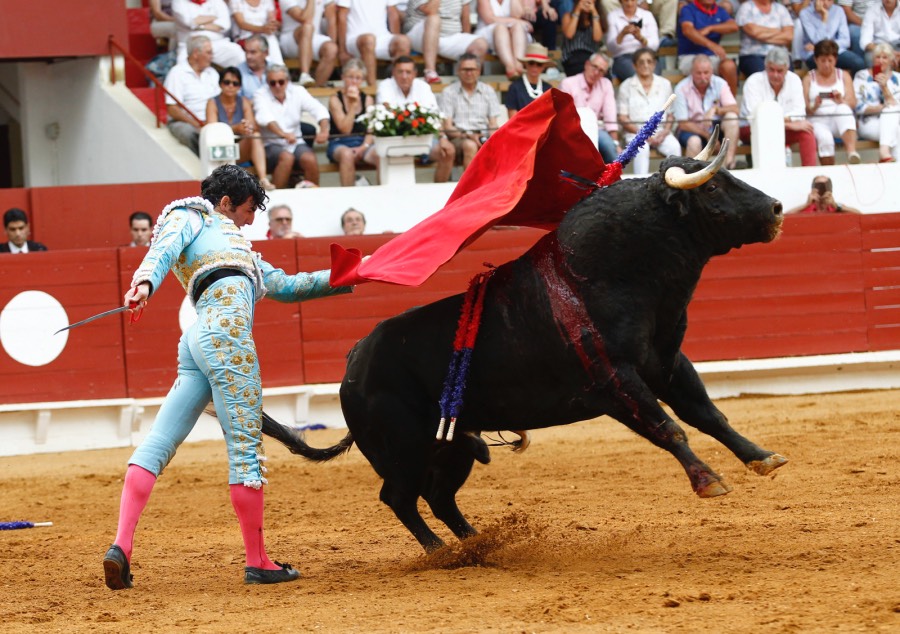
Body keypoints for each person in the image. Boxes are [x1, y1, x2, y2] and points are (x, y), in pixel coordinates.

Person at [101, 165, 352, 591]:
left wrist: (350, 276)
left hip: (199, 340)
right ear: (224, 202)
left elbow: (290, 285)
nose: (252, 219)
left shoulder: (244, 253)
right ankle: (258, 562)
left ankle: (121, 546)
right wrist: (143, 283)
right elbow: (162, 249)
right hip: (228, 337)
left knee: (158, 443)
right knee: (245, 453)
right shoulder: (192, 215)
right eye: (250, 209)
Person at [376, 56, 456, 182]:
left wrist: (443, 138)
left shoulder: (423, 86)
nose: (404, 76)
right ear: (393, 73)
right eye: (400, 71)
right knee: (379, 153)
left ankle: (441, 198)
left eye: (408, 72)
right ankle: (382, 195)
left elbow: (434, 115)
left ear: (414, 73)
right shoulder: (385, 85)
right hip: (394, 139)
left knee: (448, 150)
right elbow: (388, 111)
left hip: (423, 138)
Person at [253, 64, 331, 188]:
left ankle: (315, 198)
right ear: (267, 83)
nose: (277, 86)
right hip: (271, 144)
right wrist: (283, 134)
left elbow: (319, 109)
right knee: (286, 158)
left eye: (281, 82)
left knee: (310, 159)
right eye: (273, 83)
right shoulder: (260, 94)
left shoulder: (298, 91)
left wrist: (324, 130)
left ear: (288, 81)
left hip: (296, 142)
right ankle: (274, 200)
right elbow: (265, 119)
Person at [739, 47, 819, 166]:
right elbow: (757, 118)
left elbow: (799, 112)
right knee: (766, 130)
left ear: (787, 69)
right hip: (752, 129)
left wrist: (785, 124)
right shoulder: (753, 81)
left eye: (780, 71)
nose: (775, 75)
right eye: (771, 70)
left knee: (807, 133)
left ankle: (810, 176)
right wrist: (788, 124)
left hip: (784, 128)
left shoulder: (794, 79)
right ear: (765, 67)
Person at [206, 67, 276, 190]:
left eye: (235, 83)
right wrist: (236, 129)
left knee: (255, 135)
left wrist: (246, 127)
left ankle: (263, 179)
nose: (231, 86)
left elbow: (252, 125)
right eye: (227, 82)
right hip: (219, 151)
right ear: (220, 84)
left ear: (239, 86)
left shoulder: (243, 101)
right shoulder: (212, 102)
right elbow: (213, 131)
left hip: (240, 150)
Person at [616, 47, 680, 174]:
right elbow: (623, 118)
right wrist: (643, 133)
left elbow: (671, 114)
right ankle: (641, 186)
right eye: (641, 62)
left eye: (649, 61)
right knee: (642, 148)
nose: (646, 65)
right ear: (634, 65)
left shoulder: (665, 84)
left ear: (655, 64)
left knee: (675, 147)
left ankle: (672, 183)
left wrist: (666, 131)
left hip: (661, 132)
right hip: (636, 133)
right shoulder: (626, 86)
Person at [673, 54, 740, 169]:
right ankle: (693, 177)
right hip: (692, 129)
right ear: (691, 72)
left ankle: (729, 165)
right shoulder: (681, 88)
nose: (703, 77)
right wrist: (709, 136)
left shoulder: (720, 83)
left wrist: (715, 109)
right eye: (699, 73)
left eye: (706, 73)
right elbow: (683, 123)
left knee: (732, 119)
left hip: (715, 127)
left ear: (712, 72)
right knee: (694, 142)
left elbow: (735, 108)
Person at [439, 54, 504, 173]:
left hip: (483, 137)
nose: (469, 73)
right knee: (470, 145)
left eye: (472, 69)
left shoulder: (488, 91)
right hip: (458, 138)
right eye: (465, 69)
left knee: (502, 147)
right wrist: (470, 136)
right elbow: (448, 127)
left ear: (479, 71)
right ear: (458, 71)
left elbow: (493, 123)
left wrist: (491, 141)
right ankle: (470, 189)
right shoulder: (449, 92)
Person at [404, 0, 490, 84]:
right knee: (434, 18)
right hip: (420, 35)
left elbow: (465, 16)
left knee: (480, 44)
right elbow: (431, 10)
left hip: (450, 36)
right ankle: (430, 72)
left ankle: (465, 82)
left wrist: (465, 38)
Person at [803, 39, 861, 164]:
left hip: (838, 119)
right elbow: (804, 108)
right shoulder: (808, 78)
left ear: (835, 60)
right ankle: (828, 170)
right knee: (825, 138)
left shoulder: (844, 75)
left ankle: (852, 152)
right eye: (823, 61)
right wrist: (814, 106)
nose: (827, 65)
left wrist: (841, 100)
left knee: (844, 109)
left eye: (830, 60)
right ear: (816, 60)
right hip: (817, 119)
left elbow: (852, 103)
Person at [559, 52, 620, 163]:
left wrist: (616, 143)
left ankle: (615, 180)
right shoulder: (568, 83)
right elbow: (564, 116)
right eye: (594, 67)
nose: (596, 72)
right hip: (573, 131)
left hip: (597, 130)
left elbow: (610, 116)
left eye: (601, 70)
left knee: (611, 150)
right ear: (587, 64)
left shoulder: (606, 84)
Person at [164, 35, 219, 156]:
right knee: (188, 133)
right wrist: (196, 124)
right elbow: (172, 109)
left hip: (211, 121)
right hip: (186, 122)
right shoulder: (177, 73)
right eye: (208, 52)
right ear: (195, 54)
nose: (212, 56)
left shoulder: (212, 73)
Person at [336, 0, 412, 88]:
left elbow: (393, 13)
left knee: (404, 41)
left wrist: (394, 38)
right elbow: (341, 17)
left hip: (381, 37)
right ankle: (372, 88)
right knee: (369, 40)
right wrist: (342, 50)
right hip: (354, 38)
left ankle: (397, 90)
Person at [328, 59, 379, 186]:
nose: (354, 81)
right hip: (339, 142)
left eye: (358, 78)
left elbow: (371, 129)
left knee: (381, 155)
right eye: (350, 77)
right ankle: (349, 198)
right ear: (343, 78)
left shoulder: (368, 99)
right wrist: (352, 105)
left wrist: (364, 147)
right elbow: (345, 130)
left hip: (362, 142)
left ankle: (383, 196)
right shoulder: (335, 99)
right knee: (347, 155)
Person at [677, 0, 739, 97]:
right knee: (701, 68)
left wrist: (711, 28)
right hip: (690, 56)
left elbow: (734, 26)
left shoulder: (719, 10)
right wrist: (711, 45)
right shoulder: (688, 9)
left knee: (729, 66)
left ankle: (731, 103)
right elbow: (688, 30)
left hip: (712, 57)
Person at [855, 41, 900, 161]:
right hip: (869, 122)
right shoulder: (862, 76)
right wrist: (882, 108)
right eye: (878, 57)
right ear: (872, 59)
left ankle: (886, 157)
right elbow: (858, 106)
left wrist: (885, 88)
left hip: (893, 121)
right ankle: (890, 162)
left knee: (894, 122)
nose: (881, 61)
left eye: (885, 57)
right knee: (896, 129)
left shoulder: (898, 79)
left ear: (891, 60)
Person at [280, 0, 339, 87]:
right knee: (307, 27)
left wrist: (333, 43)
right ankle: (304, 74)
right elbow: (305, 19)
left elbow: (331, 21)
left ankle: (316, 88)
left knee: (331, 48)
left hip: (313, 36)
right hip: (289, 39)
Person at [798, 0, 867, 75]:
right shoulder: (805, 13)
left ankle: (849, 85)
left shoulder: (838, 11)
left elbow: (845, 41)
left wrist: (825, 46)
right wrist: (824, 17)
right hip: (814, 53)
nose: (826, 3)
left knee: (859, 63)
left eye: (829, 0)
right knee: (819, 64)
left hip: (837, 51)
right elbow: (817, 40)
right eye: (823, 0)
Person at [172, 0, 246, 68]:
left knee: (237, 53)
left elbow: (225, 24)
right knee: (181, 64)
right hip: (189, 46)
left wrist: (198, 25)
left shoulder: (217, 1)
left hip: (217, 43)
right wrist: (213, 18)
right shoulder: (178, 2)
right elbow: (188, 21)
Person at [735, 0, 794, 77]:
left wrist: (761, 35)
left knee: (789, 77)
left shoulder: (781, 8)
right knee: (762, 76)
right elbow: (754, 32)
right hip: (752, 55)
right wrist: (778, 31)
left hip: (780, 54)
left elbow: (789, 36)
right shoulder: (746, 7)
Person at [475, 0, 533, 79]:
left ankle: (518, 65)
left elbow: (517, 15)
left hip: (511, 32)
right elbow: (489, 19)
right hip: (488, 31)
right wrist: (515, 21)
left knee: (518, 27)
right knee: (501, 27)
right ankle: (510, 67)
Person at [606, 0, 659, 81]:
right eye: (626, 0)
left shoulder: (647, 15)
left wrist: (640, 38)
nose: (630, 4)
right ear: (621, 1)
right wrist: (622, 34)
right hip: (623, 57)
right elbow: (610, 48)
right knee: (637, 77)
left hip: (646, 55)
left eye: (633, 0)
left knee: (655, 77)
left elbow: (655, 45)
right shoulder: (612, 16)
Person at [505, 42, 557, 117]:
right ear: (525, 64)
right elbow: (512, 119)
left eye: (539, 64)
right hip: (521, 128)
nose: (535, 67)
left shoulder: (548, 89)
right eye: (531, 63)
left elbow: (551, 116)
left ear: (544, 67)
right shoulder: (514, 87)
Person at [559, 0, 606, 77]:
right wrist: (577, 10)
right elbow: (569, 34)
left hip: (591, 58)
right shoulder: (568, 16)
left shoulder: (597, 18)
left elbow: (597, 38)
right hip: (572, 57)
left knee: (604, 73)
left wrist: (594, 12)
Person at [231, 0, 284, 64]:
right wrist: (262, 29)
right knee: (261, 42)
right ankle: (272, 68)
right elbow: (241, 24)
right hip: (244, 37)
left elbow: (272, 19)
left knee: (271, 38)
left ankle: (278, 67)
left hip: (265, 35)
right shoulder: (236, 1)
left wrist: (271, 26)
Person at [785, 175, 862, 212]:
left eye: (825, 186)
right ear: (813, 189)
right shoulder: (806, 208)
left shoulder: (836, 207)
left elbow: (859, 215)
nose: (822, 190)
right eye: (819, 186)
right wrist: (806, 204)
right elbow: (784, 218)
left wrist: (835, 205)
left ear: (830, 190)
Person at [860, 0, 900, 67]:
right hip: (878, 47)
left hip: (898, 47)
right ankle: (876, 77)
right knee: (870, 58)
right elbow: (865, 41)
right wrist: (887, 53)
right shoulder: (872, 10)